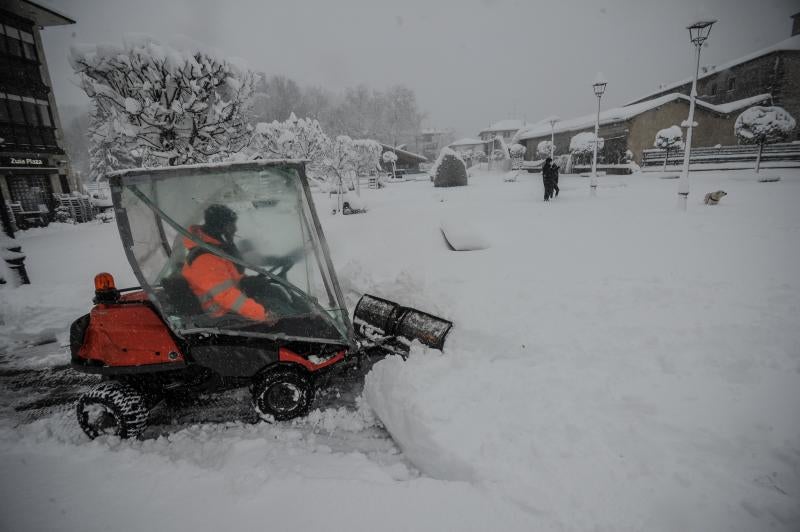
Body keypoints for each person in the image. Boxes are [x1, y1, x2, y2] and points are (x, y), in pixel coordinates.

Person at [181, 204, 274, 323]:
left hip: (228, 307)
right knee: (278, 313)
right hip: (219, 318)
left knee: (273, 293)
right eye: (231, 225)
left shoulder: (215, 249)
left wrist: (246, 282)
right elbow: (226, 296)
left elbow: (226, 280)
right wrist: (262, 314)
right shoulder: (206, 259)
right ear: (220, 228)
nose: (235, 229)